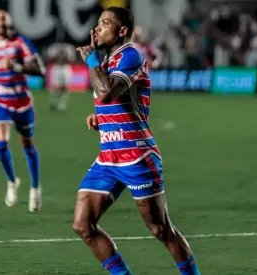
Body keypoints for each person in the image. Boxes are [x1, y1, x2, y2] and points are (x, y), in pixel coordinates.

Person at [73, 6, 201, 275]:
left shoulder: (129, 55)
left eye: (105, 23)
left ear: (121, 31)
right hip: (109, 156)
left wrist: (91, 60)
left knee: (160, 229)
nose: (97, 28)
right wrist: (100, 118)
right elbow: (113, 101)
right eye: (98, 22)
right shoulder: (108, 59)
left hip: (137, 156)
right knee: (83, 224)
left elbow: (106, 92)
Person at [0, 8, 44, 213]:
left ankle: (35, 188)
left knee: (27, 144)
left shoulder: (20, 42)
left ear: (8, 21)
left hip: (22, 102)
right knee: (1, 143)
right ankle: (11, 181)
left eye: (3, 18)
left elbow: (39, 70)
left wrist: (16, 66)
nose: (0, 22)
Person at [46, 42, 76, 112]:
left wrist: (65, 55)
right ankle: (53, 102)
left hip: (65, 67)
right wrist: (56, 55)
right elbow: (49, 59)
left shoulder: (69, 47)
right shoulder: (53, 47)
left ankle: (62, 105)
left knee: (66, 87)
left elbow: (72, 60)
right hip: (57, 67)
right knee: (56, 86)